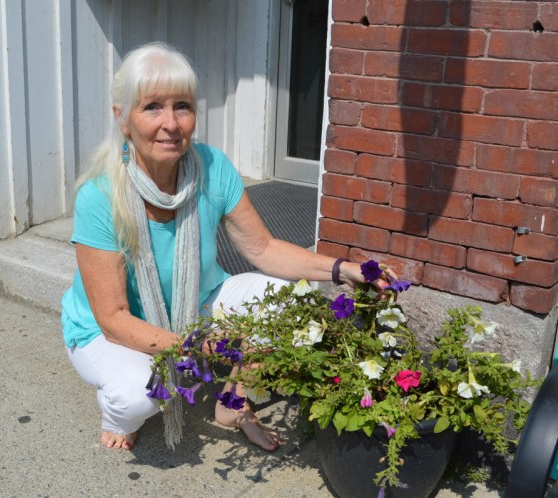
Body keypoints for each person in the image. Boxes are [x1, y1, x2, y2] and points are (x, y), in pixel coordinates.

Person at [61, 42, 385, 452]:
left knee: (290, 302)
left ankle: (234, 403)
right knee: (135, 397)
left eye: (182, 105)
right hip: (107, 329)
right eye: (152, 107)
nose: (171, 123)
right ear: (122, 118)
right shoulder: (99, 197)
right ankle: (117, 416)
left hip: (198, 301)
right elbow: (112, 317)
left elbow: (264, 248)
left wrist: (343, 269)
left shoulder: (211, 168)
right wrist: (200, 346)